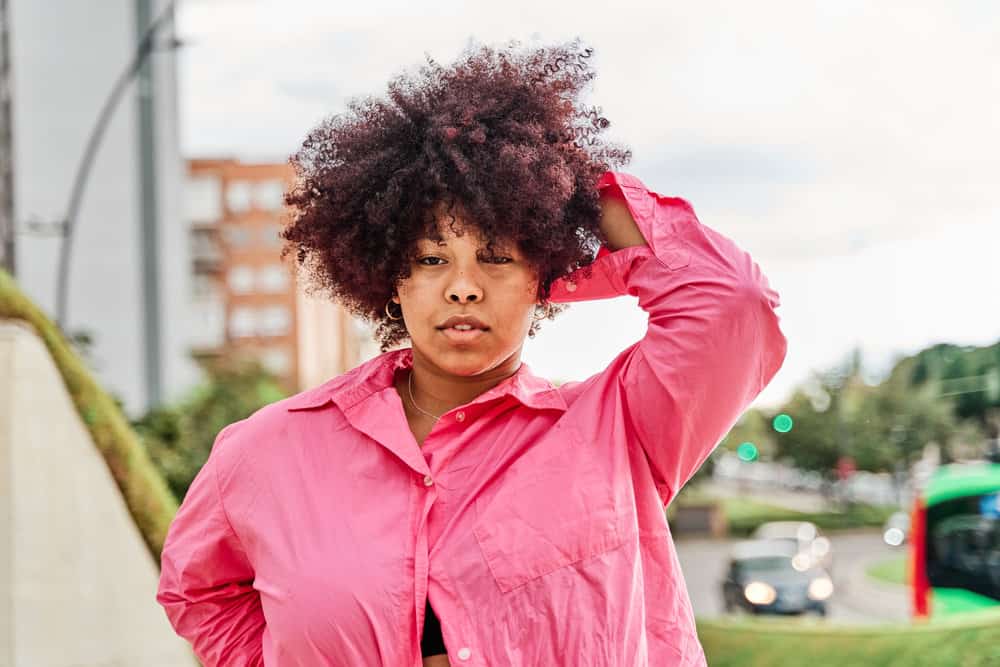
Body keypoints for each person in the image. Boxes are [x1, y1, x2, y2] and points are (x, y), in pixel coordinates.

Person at [157, 39, 787, 666]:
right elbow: (200, 590)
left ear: (541, 280)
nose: (463, 285)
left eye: (497, 258)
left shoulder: (620, 429)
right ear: (389, 278)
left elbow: (731, 303)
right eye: (431, 260)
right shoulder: (265, 452)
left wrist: (572, 197)